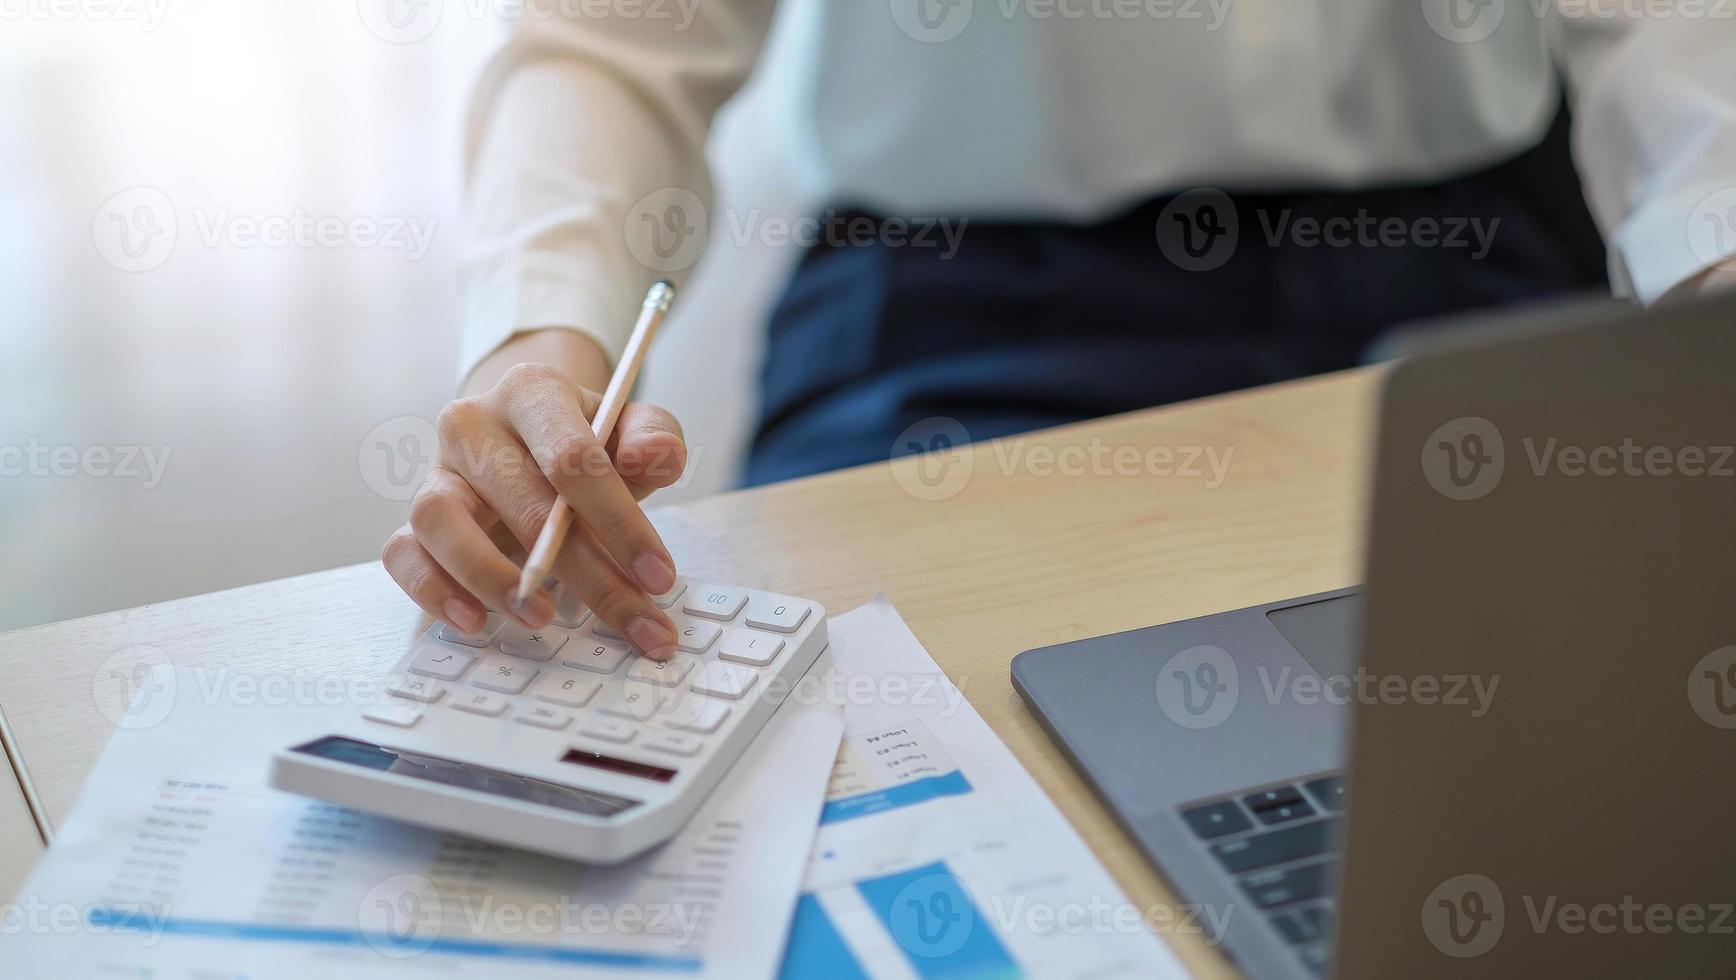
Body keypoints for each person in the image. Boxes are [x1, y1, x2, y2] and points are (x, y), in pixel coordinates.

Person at [382, 1, 1736, 655]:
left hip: (1460, 269)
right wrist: (539, 338)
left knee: (1590, 730)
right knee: (855, 758)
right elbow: (616, 40)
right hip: (953, 296)